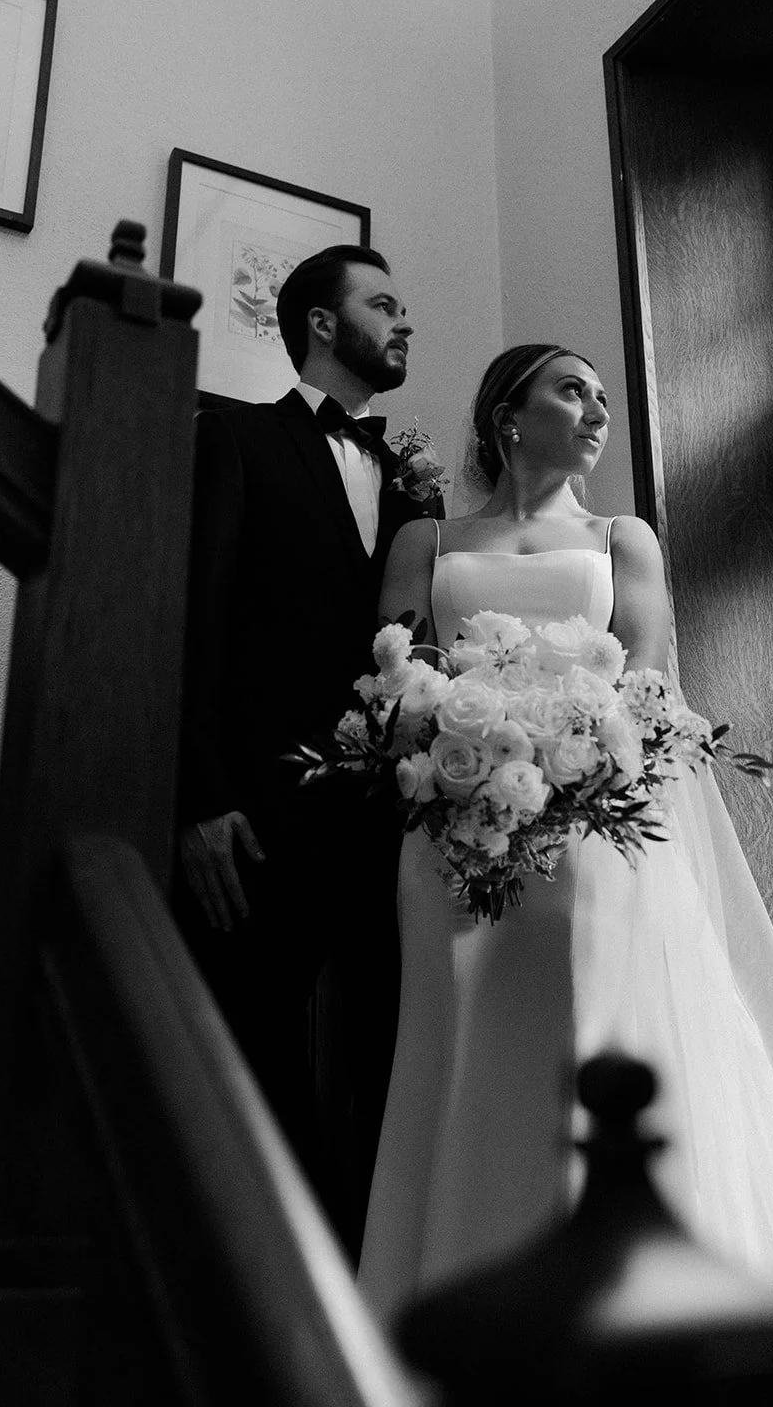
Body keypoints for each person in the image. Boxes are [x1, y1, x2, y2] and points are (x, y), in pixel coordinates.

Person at [358, 343, 773, 1403]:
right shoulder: (423, 537)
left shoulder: (622, 538)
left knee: (600, 1039)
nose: (594, 413)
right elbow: (391, 675)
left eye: (604, 399)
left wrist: (566, 746)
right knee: (455, 1047)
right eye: (569, 390)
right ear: (504, 413)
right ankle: (446, 1296)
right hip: (452, 831)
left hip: (590, 833)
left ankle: (623, 1304)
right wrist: (453, 735)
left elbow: (650, 683)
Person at [175, 244, 439, 1256]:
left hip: (400, 821)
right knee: (255, 1063)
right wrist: (197, 801)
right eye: (384, 302)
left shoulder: (414, 482)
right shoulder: (236, 440)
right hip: (262, 819)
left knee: (398, 1060)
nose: (405, 318)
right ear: (322, 325)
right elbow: (197, 622)